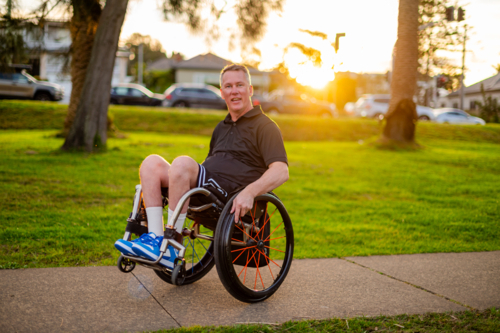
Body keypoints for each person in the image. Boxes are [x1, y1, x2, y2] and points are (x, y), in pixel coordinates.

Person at [115, 64, 289, 267]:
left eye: (240, 85)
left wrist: (250, 193)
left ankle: (170, 247)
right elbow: (209, 165)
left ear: (250, 90)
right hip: (208, 188)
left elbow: (281, 171)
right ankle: (155, 238)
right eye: (229, 86)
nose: (234, 91)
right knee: (151, 163)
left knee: (182, 164)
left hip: (231, 195)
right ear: (222, 92)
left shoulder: (265, 126)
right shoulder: (221, 128)